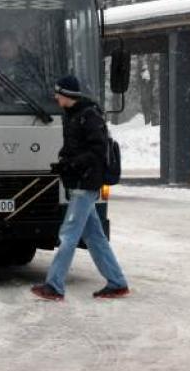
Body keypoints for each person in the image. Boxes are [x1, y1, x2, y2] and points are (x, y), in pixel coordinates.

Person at [31, 75, 130, 301]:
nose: (55, 97)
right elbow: (75, 148)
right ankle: (117, 283)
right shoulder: (73, 116)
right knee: (95, 237)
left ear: (68, 95)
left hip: (86, 183)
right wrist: (64, 162)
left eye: (58, 93)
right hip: (78, 181)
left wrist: (73, 164)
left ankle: (54, 285)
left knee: (68, 235)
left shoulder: (89, 116)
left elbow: (97, 151)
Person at [0, 30, 47, 103]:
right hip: (5, 108)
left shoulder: (31, 63)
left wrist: (7, 88)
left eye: (6, 50)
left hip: (29, 108)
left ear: (15, 44)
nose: (2, 54)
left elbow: (39, 89)